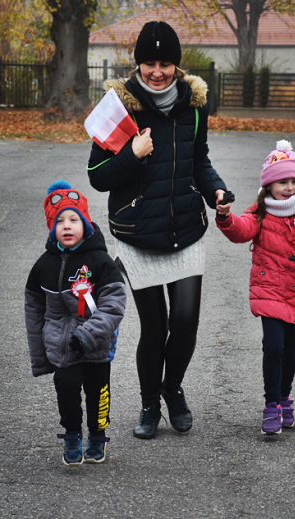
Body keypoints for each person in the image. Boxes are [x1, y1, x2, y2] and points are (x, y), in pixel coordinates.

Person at [86, 21, 229, 440]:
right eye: (150, 62)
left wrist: (215, 190)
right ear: (139, 63)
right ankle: (150, 404)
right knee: (155, 325)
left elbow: (198, 159)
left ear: (176, 65)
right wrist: (132, 154)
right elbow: (97, 175)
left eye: (165, 63)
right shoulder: (119, 108)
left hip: (185, 227)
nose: (157, 71)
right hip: (137, 232)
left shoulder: (194, 106)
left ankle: (172, 388)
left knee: (186, 321)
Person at [215, 141, 295, 435]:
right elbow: (241, 229)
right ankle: (271, 404)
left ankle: (284, 397)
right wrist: (225, 217)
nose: (290, 187)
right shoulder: (259, 212)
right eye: (283, 181)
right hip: (269, 290)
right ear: (269, 185)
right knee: (273, 346)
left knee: (292, 351)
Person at [24, 180, 127, 465]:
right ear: (51, 228)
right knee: (66, 392)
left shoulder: (100, 261)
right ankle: (71, 435)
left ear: (86, 224)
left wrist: (89, 333)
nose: (67, 226)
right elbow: (33, 312)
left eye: (73, 219)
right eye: (60, 222)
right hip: (62, 349)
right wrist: (40, 355)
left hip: (95, 346)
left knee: (98, 394)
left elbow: (114, 303)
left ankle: (97, 435)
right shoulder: (43, 266)